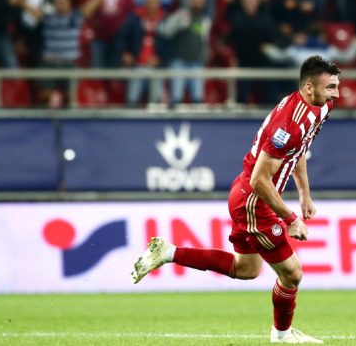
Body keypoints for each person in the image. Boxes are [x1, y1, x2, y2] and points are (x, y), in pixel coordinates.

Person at [131, 55, 340, 344]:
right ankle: (282, 335)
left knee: (247, 269)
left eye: (336, 86)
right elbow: (259, 180)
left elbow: (300, 151)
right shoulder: (288, 126)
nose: (336, 94)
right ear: (308, 87)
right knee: (292, 273)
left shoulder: (319, 108)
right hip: (254, 200)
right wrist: (290, 218)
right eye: (330, 87)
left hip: (246, 195)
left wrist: (305, 194)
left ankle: (168, 252)